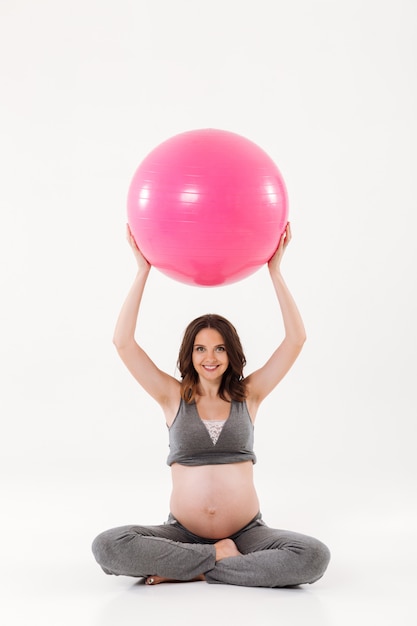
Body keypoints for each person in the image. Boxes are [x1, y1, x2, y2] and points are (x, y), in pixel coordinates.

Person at [92, 222, 330, 587]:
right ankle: (213, 560)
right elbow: (123, 342)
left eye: (219, 347)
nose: (210, 357)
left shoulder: (249, 394)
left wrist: (275, 272)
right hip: (183, 534)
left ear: (230, 352)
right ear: (190, 354)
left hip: (247, 534)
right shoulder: (172, 396)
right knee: (109, 545)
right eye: (200, 348)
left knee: (312, 557)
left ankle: (192, 568)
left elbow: (296, 340)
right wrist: (142, 271)